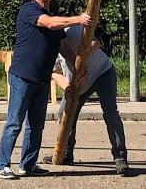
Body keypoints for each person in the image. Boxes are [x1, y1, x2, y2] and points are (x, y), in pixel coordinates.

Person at [0, 0, 91, 181]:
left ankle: (28, 165)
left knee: (36, 125)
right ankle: (1, 165)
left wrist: (80, 68)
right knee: (14, 122)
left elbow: (64, 48)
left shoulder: (54, 20)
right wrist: (77, 19)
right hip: (22, 77)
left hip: (41, 79)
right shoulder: (29, 10)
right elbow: (47, 23)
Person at [50, 22, 129, 175]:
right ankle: (66, 153)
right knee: (64, 114)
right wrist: (69, 88)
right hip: (78, 83)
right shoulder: (46, 48)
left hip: (102, 72)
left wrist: (83, 58)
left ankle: (120, 158)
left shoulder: (73, 30)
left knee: (110, 113)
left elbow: (95, 42)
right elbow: (54, 73)